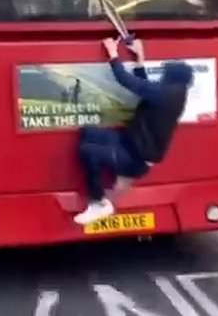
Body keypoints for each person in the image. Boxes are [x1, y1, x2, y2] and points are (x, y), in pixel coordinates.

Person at [74, 38, 194, 225]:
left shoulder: (165, 94)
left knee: (87, 151)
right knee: (89, 133)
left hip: (135, 158)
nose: (162, 75)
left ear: (170, 76)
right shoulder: (175, 92)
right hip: (129, 143)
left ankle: (99, 202)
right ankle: (112, 184)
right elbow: (145, 87)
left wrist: (113, 54)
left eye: (165, 73)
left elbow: (127, 81)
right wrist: (140, 58)